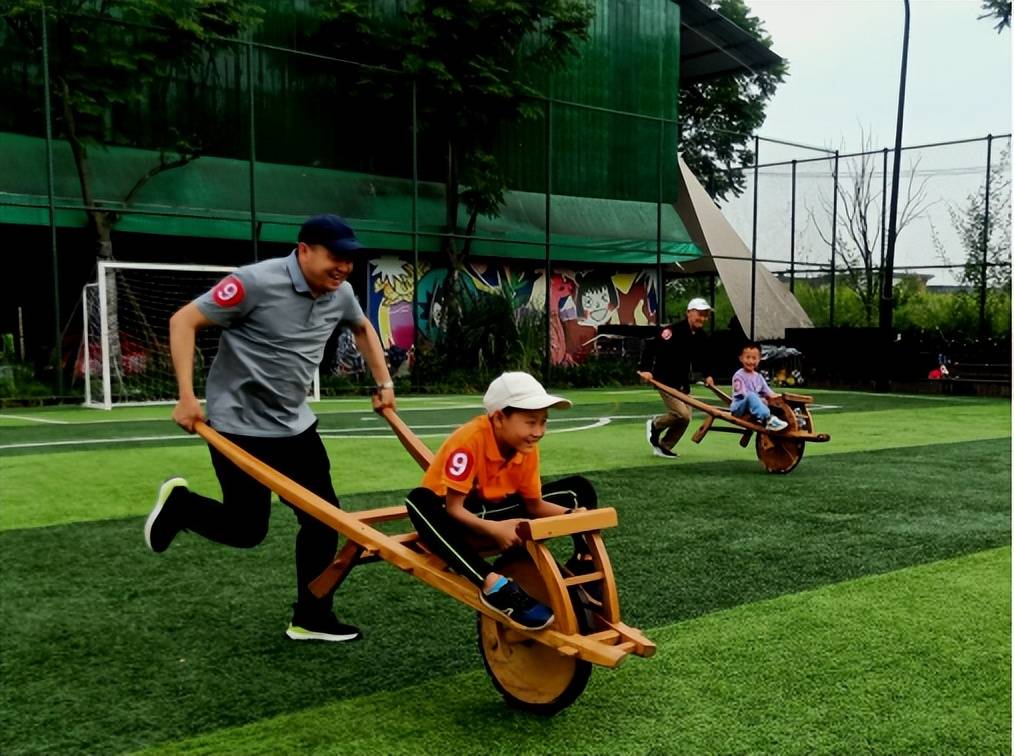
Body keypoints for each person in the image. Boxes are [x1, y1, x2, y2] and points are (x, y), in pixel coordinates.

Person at [144, 214, 396, 643]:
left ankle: (311, 617)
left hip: (295, 425)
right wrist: (187, 396)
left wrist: (384, 381)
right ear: (304, 250)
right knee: (247, 530)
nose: (343, 267)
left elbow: (363, 327)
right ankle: (182, 506)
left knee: (324, 520)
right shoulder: (253, 282)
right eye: (335, 256)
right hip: (237, 427)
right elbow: (183, 321)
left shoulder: (342, 293)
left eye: (349, 260)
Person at [404, 372, 598, 630]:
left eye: (543, 422)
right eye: (530, 422)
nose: (538, 431)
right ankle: (492, 585)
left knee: (577, 489)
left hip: (496, 509)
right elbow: (454, 509)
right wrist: (496, 529)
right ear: (498, 418)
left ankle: (583, 563)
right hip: (456, 521)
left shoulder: (526, 446)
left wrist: (570, 517)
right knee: (418, 500)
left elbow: (534, 505)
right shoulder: (468, 442)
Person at [639, 297, 715, 458]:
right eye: (699, 314)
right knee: (682, 414)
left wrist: (707, 375)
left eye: (705, 315)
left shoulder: (700, 336)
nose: (702, 318)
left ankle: (664, 446)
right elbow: (651, 346)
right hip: (664, 380)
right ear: (689, 313)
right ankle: (655, 425)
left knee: (685, 419)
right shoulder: (672, 331)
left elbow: (702, 358)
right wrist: (646, 369)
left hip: (682, 382)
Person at [730, 342, 788, 431]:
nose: (750, 361)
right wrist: (760, 400)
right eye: (747, 357)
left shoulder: (758, 377)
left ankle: (793, 417)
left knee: (772, 399)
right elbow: (744, 395)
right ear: (741, 358)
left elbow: (769, 393)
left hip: (755, 406)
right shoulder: (738, 376)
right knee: (751, 395)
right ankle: (768, 419)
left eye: (754, 358)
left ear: (759, 359)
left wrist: (782, 398)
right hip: (740, 407)